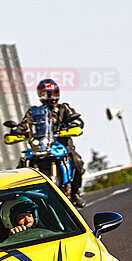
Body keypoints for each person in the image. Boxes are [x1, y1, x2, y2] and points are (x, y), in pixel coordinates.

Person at [16, 78, 86, 207]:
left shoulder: (64, 108)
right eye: (45, 94)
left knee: (77, 161)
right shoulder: (35, 112)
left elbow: (76, 120)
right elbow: (24, 124)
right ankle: (20, 196)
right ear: (40, 95)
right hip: (40, 145)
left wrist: (73, 125)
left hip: (62, 146)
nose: (49, 97)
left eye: (52, 93)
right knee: (22, 164)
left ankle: (75, 193)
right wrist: (17, 131)